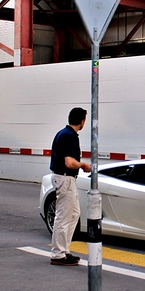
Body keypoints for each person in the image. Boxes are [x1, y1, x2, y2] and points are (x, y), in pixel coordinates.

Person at [49, 107, 92, 266]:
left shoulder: (63, 133)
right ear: (82, 121)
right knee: (64, 216)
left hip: (65, 178)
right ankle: (58, 254)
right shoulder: (70, 136)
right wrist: (83, 165)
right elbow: (69, 162)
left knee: (73, 214)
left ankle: (64, 250)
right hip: (65, 178)